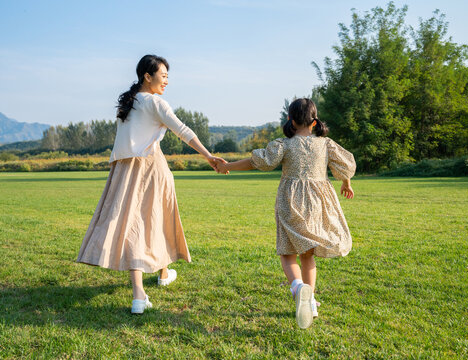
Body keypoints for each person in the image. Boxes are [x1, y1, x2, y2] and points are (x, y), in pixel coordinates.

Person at [77, 54, 226, 314]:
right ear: (148, 76)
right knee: (150, 222)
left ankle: (160, 275)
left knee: (136, 224)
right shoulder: (155, 103)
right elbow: (184, 131)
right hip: (149, 167)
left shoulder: (130, 103)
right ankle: (139, 293)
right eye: (163, 75)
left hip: (123, 170)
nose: (167, 81)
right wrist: (209, 156)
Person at [216, 98, 356, 329]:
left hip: (290, 201)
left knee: (287, 251)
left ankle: (298, 287)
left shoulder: (283, 144)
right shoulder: (325, 144)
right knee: (307, 254)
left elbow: (256, 162)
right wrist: (346, 183)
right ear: (314, 121)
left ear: (290, 120)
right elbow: (344, 165)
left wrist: (227, 165)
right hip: (317, 202)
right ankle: (309, 301)